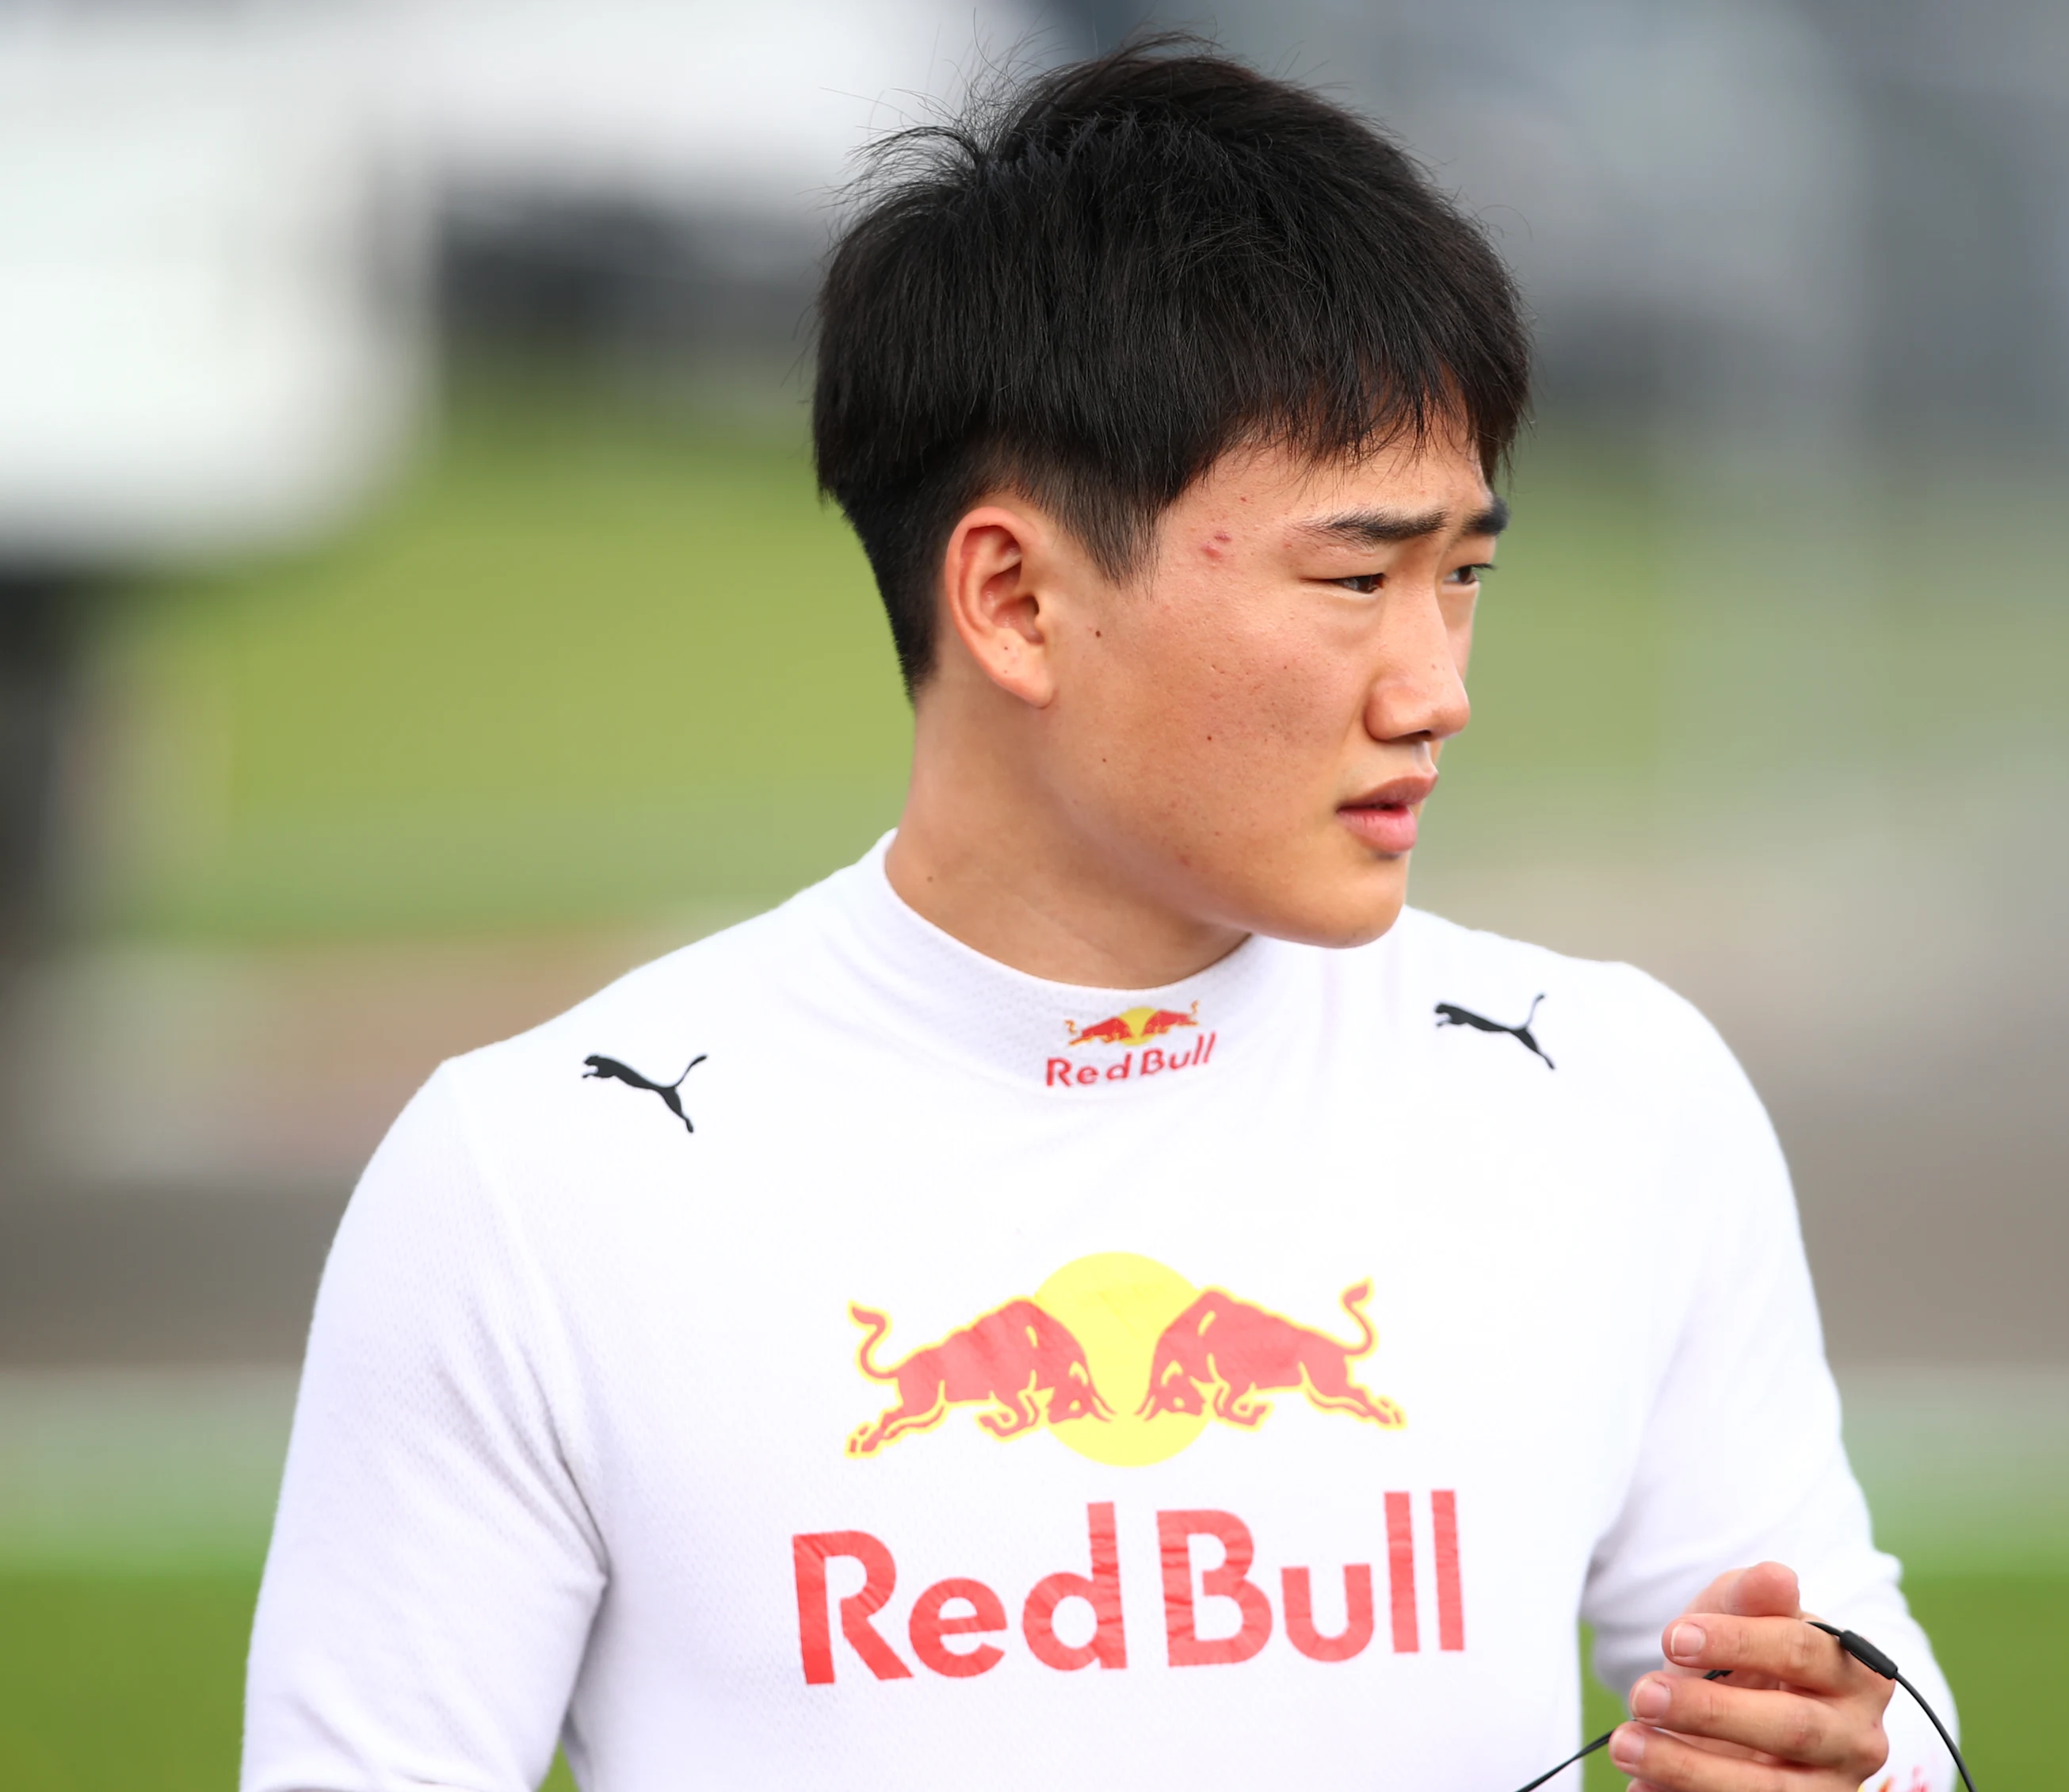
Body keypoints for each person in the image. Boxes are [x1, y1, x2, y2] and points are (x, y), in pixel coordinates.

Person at [242, 38, 1960, 1792]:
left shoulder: (1610, 1094)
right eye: (1356, 578)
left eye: (1466, 578)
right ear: (1011, 598)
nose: (1434, 685)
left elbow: (1858, 1687)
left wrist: (1842, 1754)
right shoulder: (541, 1180)